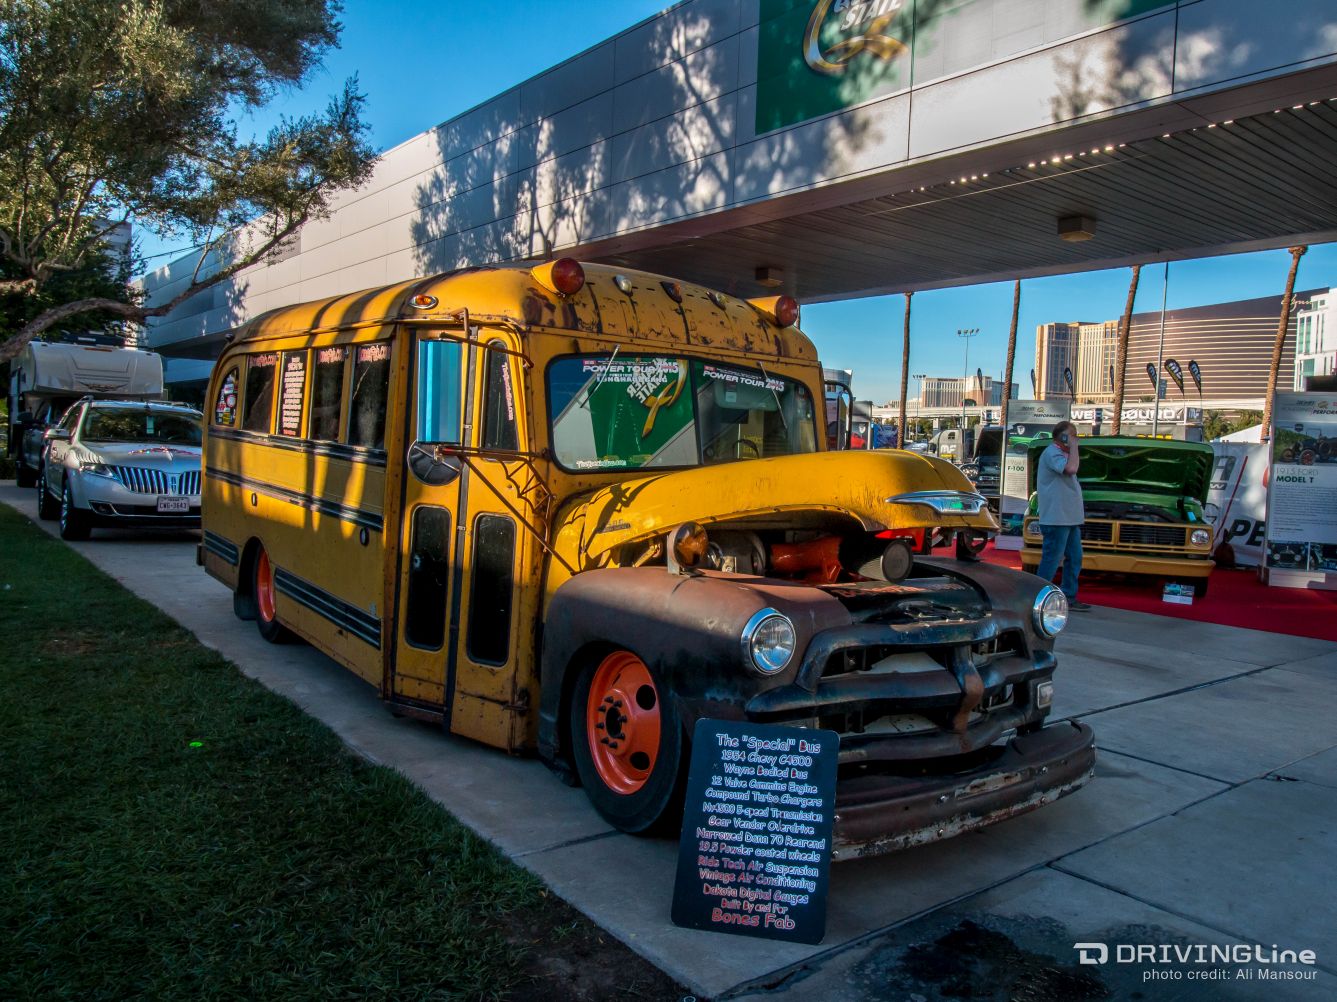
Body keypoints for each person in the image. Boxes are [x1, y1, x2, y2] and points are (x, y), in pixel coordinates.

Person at [1035, 420, 1090, 610]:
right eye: (1072, 435)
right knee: (1051, 559)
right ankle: (1035, 596)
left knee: (1075, 557)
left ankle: (1069, 595)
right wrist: (1074, 446)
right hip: (1057, 518)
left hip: (1069, 518)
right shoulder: (1052, 453)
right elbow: (1071, 469)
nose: (1076, 438)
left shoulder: (1062, 454)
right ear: (1064, 437)